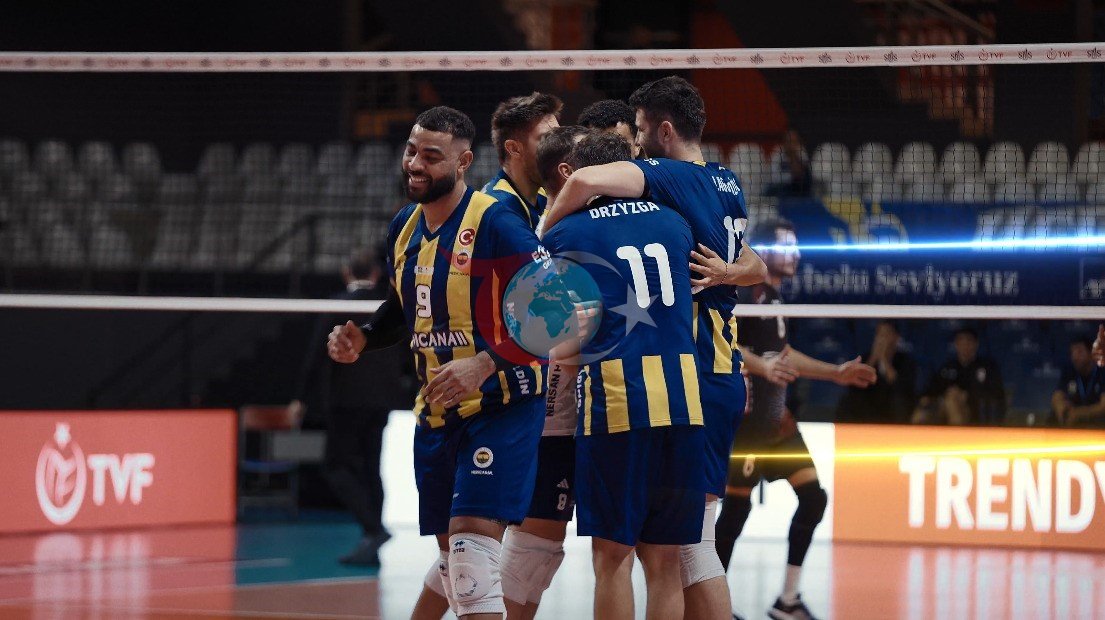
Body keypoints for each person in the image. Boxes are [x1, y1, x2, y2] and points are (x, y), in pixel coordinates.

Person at [541, 75, 768, 620]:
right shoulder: (722, 185)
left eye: (641, 131)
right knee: (675, 553)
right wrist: (730, 272)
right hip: (698, 384)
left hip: (658, 383)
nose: (638, 144)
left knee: (650, 554)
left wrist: (542, 236)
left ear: (665, 131)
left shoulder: (667, 179)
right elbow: (758, 265)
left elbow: (584, 182)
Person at [327, 106, 549, 620]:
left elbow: (561, 311)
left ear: (463, 162)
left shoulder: (495, 222)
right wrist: (364, 338)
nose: (415, 164)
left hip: (502, 407)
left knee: (471, 556)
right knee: (455, 564)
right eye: (411, 151)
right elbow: (405, 308)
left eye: (431, 156)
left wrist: (484, 364)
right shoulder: (403, 227)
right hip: (436, 415)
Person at [542, 130, 707, 619]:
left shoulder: (565, 234)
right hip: (683, 399)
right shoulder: (677, 221)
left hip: (616, 401)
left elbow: (560, 334)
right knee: (666, 561)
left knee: (612, 557)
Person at [715, 217, 876, 620]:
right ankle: (711, 608)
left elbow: (783, 356)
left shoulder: (775, 298)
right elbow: (724, 343)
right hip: (750, 424)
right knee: (735, 512)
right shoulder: (746, 293)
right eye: (787, 245)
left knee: (814, 498)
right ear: (764, 251)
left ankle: (788, 600)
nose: (797, 253)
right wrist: (761, 367)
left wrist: (835, 372)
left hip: (778, 424)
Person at [500, 124, 589, 620]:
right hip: (548, 415)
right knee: (532, 549)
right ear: (569, 172)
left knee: (535, 551)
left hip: (577, 415)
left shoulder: (563, 227)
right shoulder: (545, 237)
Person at [292, 247, 408, 566]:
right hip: (383, 400)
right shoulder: (389, 306)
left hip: (347, 400)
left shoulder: (339, 305)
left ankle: (373, 529)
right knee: (371, 467)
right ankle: (372, 540)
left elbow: (316, 356)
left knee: (335, 465)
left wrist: (301, 398)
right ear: (375, 274)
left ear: (346, 273)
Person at [483, 92, 562, 230]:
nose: (558, 147)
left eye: (558, 137)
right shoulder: (496, 207)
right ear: (514, 148)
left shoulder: (542, 194)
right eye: (546, 138)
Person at [912, 327, 1006, 426]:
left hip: (973, 410)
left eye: (968, 341)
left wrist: (965, 395)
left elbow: (996, 393)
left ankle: (957, 434)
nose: (965, 345)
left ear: (976, 344)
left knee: (952, 401)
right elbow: (932, 389)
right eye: (961, 341)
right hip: (942, 408)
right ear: (956, 344)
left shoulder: (986, 367)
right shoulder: (948, 367)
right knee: (922, 413)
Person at [835, 320, 917, 423]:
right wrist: (874, 358)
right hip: (869, 407)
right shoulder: (866, 358)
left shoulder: (905, 361)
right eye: (879, 334)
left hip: (893, 407)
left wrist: (884, 360)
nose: (882, 339)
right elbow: (858, 381)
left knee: (900, 398)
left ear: (896, 337)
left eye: (886, 334)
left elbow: (901, 386)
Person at [1052, 336, 1105, 428]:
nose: (1075, 357)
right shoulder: (1070, 372)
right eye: (1072, 352)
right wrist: (1062, 409)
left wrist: (1078, 414)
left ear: (1091, 353)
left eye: (1079, 352)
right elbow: (1057, 396)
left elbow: (1103, 406)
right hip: (1073, 427)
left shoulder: (1102, 373)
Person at [764, 129, 811, 197]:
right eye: (789, 141)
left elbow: (803, 175)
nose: (791, 145)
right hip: (778, 187)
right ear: (784, 142)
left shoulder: (802, 152)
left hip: (795, 187)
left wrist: (793, 156)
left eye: (794, 141)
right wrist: (792, 178)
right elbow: (774, 178)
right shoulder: (777, 153)